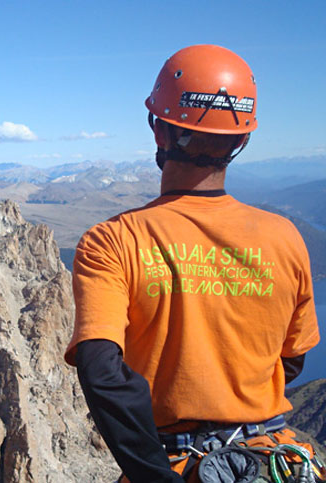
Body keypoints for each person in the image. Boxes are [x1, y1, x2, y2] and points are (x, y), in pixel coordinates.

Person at [64, 44, 321, 482]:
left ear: (159, 132)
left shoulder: (111, 242)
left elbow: (101, 368)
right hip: (277, 461)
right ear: (242, 139)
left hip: (177, 464)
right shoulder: (285, 237)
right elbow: (291, 360)